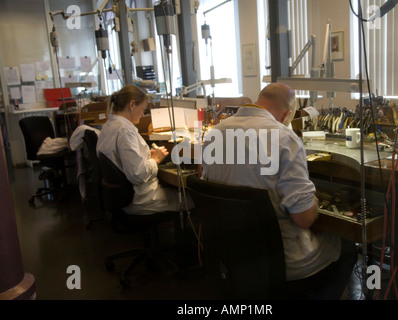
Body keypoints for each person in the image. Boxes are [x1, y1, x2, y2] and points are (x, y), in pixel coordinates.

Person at [200, 82, 357, 299]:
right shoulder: (284, 138)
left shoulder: (214, 135)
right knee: (347, 246)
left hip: (234, 258)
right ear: (286, 116)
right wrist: (313, 200)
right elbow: (303, 218)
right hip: (283, 262)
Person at [97, 85, 191, 215]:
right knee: (193, 198)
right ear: (132, 104)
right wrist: (155, 159)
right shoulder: (125, 131)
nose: (142, 114)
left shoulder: (109, 126)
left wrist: (146, 155)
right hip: (142, 199)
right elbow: (137, 175)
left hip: (123, 198)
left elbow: (122, 160)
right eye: (142, 109)